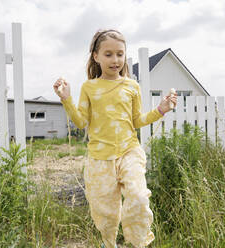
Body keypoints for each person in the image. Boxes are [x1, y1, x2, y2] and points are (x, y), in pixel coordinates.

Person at [53, 29, 177, 248]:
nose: (115, 59)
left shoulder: (132, 86)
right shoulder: (89, 87)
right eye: (108, 54)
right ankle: (108, 244)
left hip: (129, 151)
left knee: (138, 197)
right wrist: (66, 100)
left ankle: (137, 243)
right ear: (96, 56)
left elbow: (137, 120)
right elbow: (81, 122)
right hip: (100, 158)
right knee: (106, 213)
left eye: (120, 54)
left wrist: (161, 109)